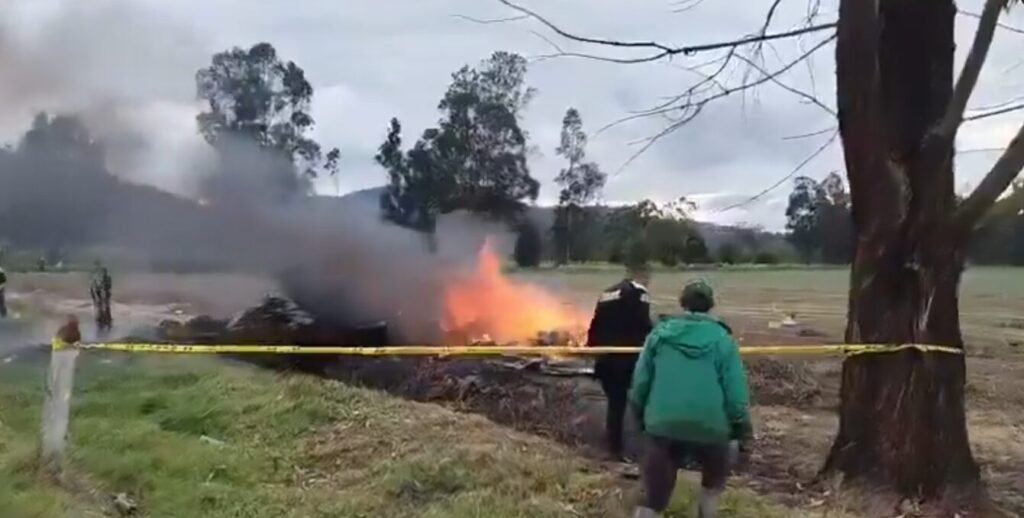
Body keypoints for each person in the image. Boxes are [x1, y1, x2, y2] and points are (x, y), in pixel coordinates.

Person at [630, 280, 752, 518]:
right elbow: (736, 394)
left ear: (682, 303)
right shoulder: (723, 340)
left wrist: (639, 417)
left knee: (653, 494)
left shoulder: (659, 335)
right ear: (710, 306)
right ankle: (706, 507)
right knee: (714, 479)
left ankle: (650, 507)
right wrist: (742, 429)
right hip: (711, 428)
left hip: (662, 425)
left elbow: (640, 382)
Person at [585, 265, 653, 460]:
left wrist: (592, 349)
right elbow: (643, 326)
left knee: (616, 402)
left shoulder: (607, 293)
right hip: (627, 359)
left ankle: (613, 446)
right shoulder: (639, 294)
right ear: (642, 278)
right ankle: (639, 448)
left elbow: (595, 324)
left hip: (605, 358)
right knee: (637, 399)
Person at [90, 261, 113, 334]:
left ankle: (107, 326)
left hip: (105, 295)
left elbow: (108, 287)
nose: (103, 274)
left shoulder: (107, 279)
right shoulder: (102, 281)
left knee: (105, 308)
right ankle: (104, 326)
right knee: (101, 307)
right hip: (102, 295)